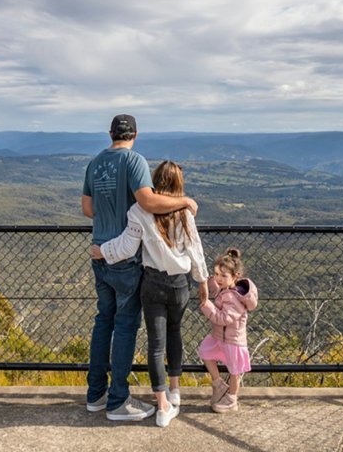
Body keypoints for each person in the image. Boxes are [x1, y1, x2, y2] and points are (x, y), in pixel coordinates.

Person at [81, 114, 198, 421]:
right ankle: (118, 400)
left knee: (102, 322)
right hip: (125, 259)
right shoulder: (134, 161)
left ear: (109, 134)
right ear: (135, 135)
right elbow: (147, 202)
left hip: (100, 253)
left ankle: (95, 395)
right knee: (125, 328)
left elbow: (88, 208)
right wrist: (183, 201)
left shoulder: (94, 163)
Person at [198, 246, 258, 412]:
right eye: (216, 274)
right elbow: (217, 291)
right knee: (205, 352)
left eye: (223, 275)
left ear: (236, 276)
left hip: (233, 340)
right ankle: (218, 384)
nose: (219, 278)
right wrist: (208, 280)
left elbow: (224, 318)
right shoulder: (226, 289)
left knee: (234, 371)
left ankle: (232, 398)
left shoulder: (235, 297)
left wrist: (206, 305)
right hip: (219, 337)